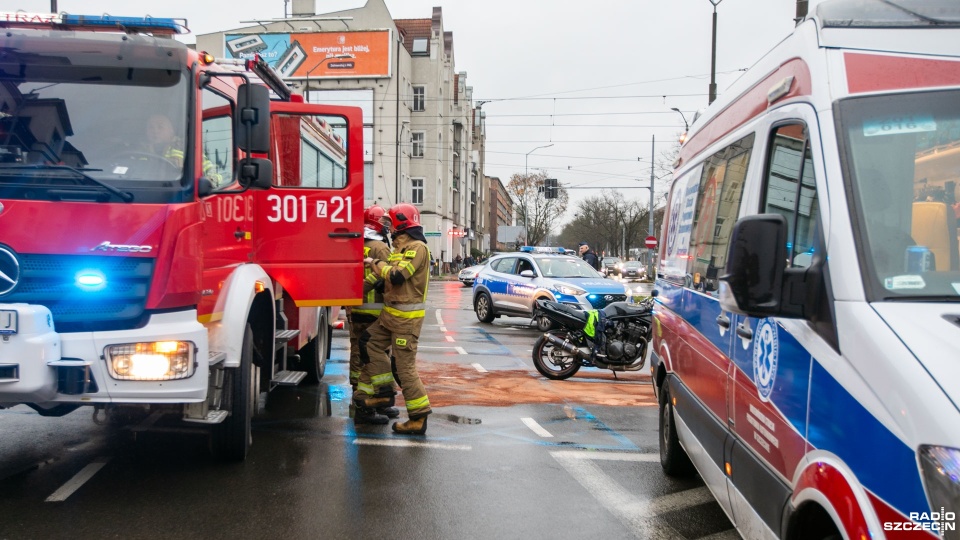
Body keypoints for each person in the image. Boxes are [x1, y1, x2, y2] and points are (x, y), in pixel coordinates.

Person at [354, 203, 432, 434]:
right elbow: (390, 272)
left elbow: (398, 275)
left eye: (391, 222)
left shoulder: (417, 248)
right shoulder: (400, 248)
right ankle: (384, 394)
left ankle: (418, 418)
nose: (388, 227)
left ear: (403, 222)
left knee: (403, 368)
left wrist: (375, 265)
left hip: (406, 320)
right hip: (390, 316)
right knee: (368, 343)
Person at [347, 205, 398, 422]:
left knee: (359, 356)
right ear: (377, 223)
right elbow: (390, 277)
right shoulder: (380, 248)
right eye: (384, 222)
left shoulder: (354, 244)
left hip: (355, 310)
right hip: (376, 313)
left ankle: (366, 402)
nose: (387, 226)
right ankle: (367, 406)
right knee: (376, 359)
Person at [143, 113, 221, 184]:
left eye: (160, 127)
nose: (155, 131)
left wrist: (208, 182)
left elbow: (213, 172)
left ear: (171, 131)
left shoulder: (186, 148)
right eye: (151, 127)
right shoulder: (139, 151)